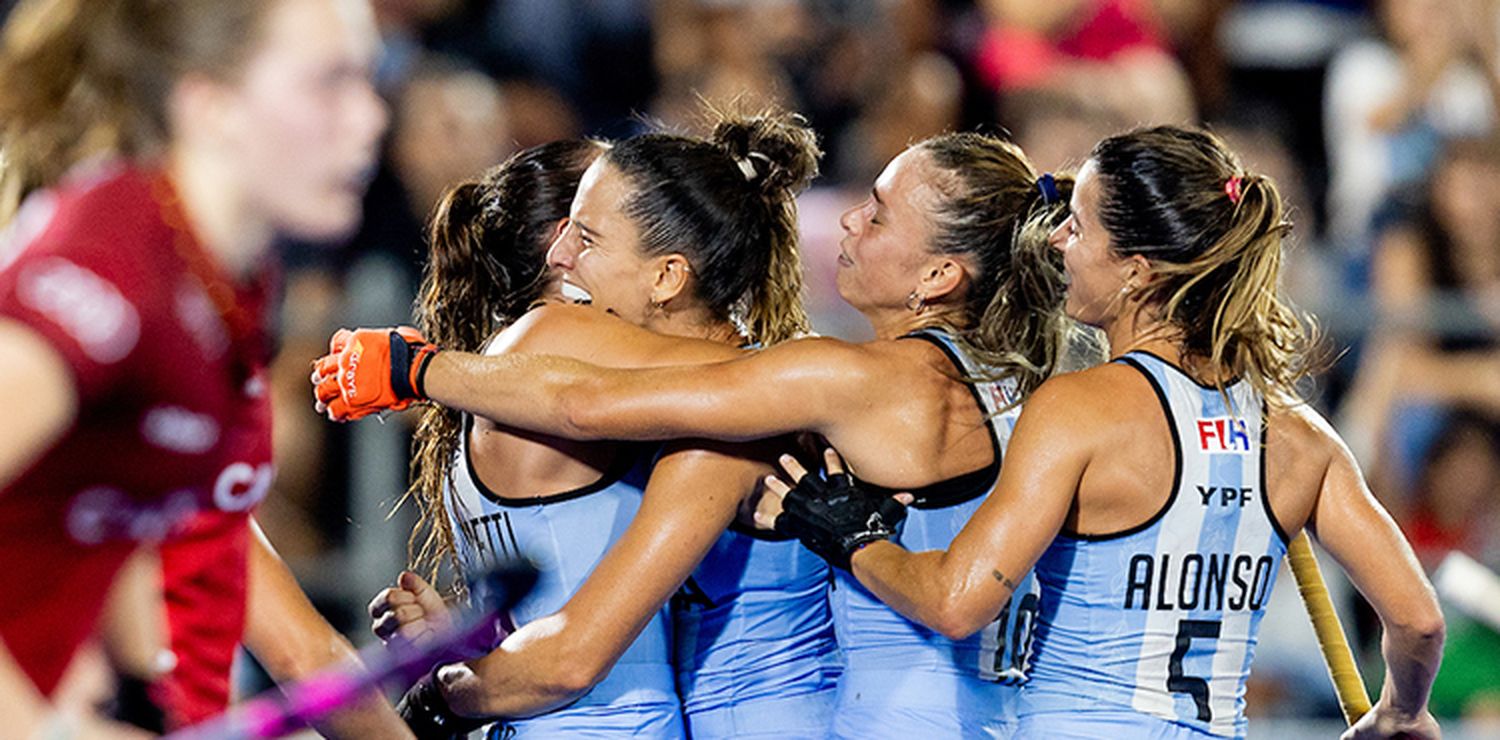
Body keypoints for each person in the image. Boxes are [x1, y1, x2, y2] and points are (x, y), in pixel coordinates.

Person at [317, 131, 1074, 737]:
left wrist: (414, 369)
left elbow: (587, 402)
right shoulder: (1010, 381)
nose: (847, 218)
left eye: (876, 214)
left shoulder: (814, 387)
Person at [758, 126, 1446, 739]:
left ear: (1136, 272)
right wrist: (1400, 712)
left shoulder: (1078, 408)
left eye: (1079, 228)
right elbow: (1418, 621)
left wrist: (855, 540)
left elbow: (956, 602)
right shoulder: (1300, 436)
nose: (1056, 239)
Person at [0, 0, 407, 736]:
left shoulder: (226, 285)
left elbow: (109, 530)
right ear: (212, 107)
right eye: (330, 82)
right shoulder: (110, 265)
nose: (371, 119)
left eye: (371, 81)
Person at [360, 112, 837, 738]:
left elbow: (571, 657)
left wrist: (418, 370)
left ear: (667, 275)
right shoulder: (686, 399)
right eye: (562, 234)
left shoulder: (740, 411)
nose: (562, 261)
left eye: (585, 238)